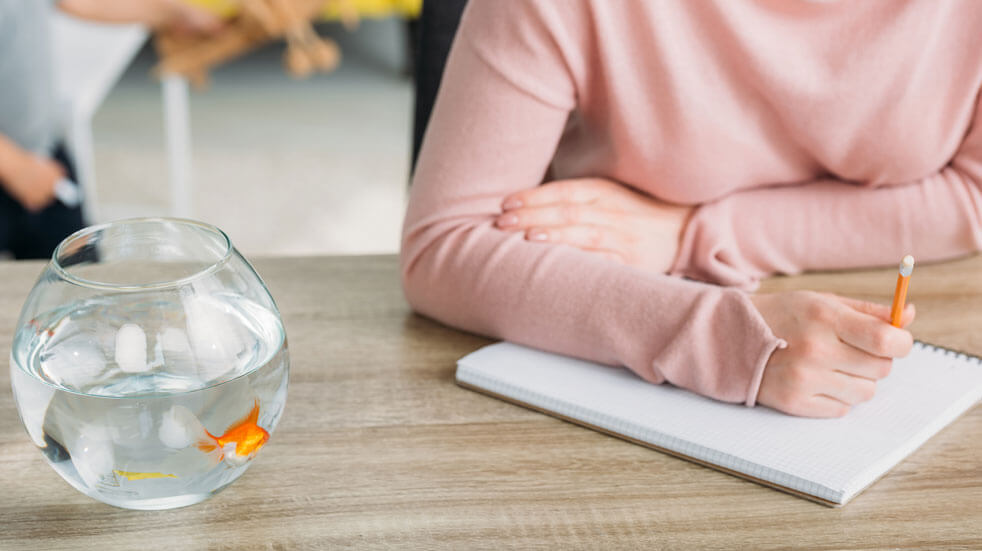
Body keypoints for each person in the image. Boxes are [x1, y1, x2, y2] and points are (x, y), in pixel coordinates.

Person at [401, 1, 982, 417]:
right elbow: (443, 245)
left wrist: (697, 232)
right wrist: (727, 338)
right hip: (611, 332)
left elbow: (973, 192)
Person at [0, 0, 221, 259]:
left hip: (43, 153)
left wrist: (172, 11)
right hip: (17, 166)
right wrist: (15, 166)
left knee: (77, 275)